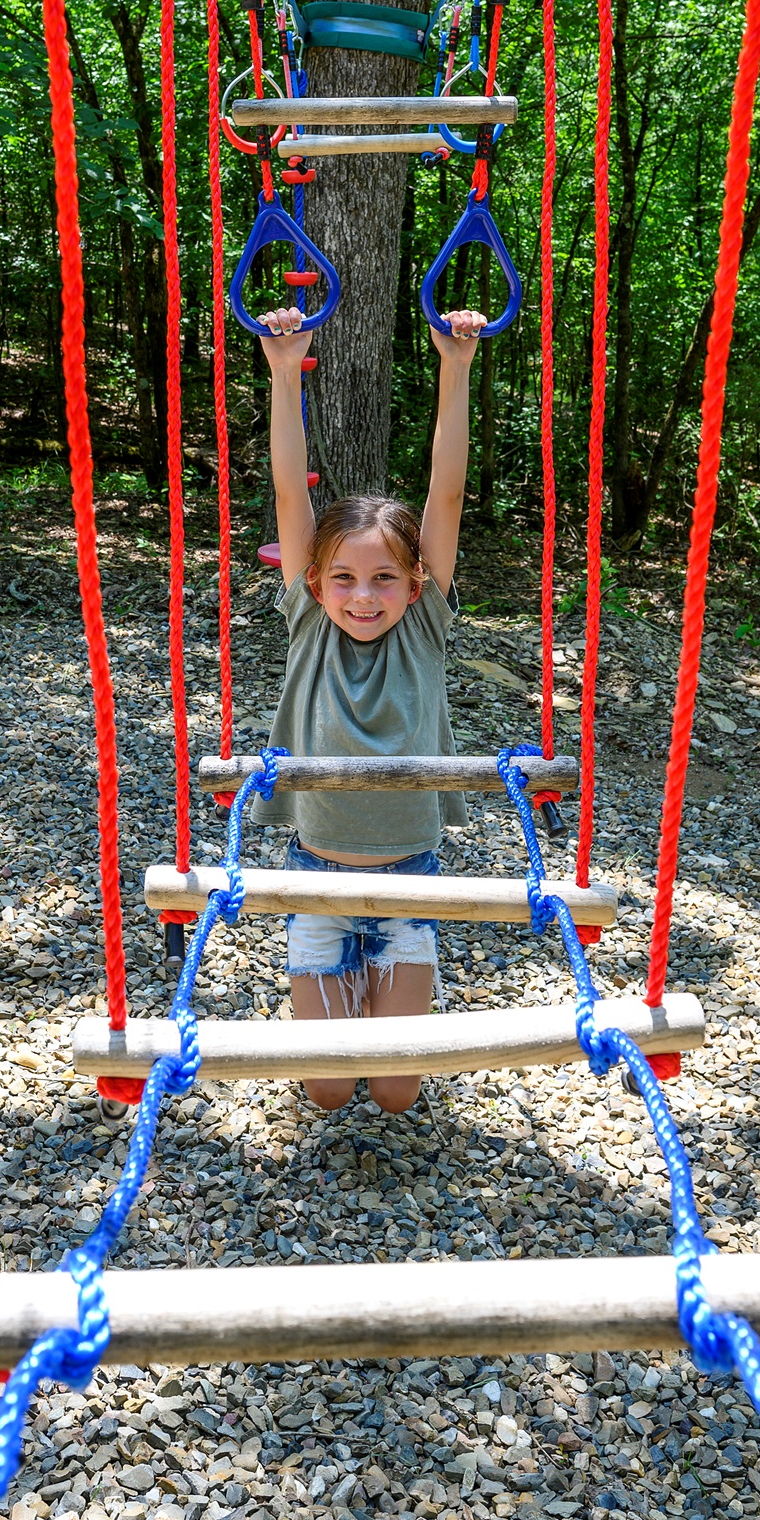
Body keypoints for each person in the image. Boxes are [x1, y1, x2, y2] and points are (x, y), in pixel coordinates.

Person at [253, 301, 487, 1112]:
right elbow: (290, 488)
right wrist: (286, 376)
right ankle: (339, 993)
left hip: (409, 881)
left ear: (415, 585)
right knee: (322, 1092)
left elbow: (445, 497)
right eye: (344, 578)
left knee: (392, 1092)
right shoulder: (307, 618)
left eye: (384, 577)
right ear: (312, 582)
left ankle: (372, 996)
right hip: (315, 877)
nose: (362, 596)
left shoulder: (423, 625)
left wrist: (453, 370)